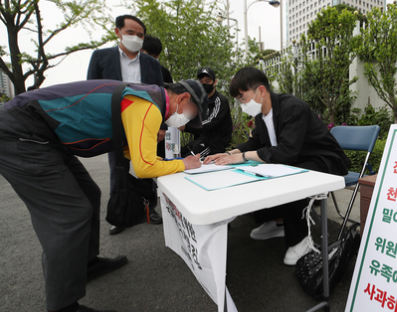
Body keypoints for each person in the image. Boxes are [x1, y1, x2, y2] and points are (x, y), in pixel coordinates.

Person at [0, 79, 206, 312]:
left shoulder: (147, 98)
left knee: (90, 194)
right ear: (183, 99)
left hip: (48, 137)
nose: (186, 122)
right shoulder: (148, 105)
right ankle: (62, 307)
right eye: (191, 114)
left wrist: (149, 147)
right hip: (23, 133)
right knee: (68, 214)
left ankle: (86, 263)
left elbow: (132, 154)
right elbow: (144, 168)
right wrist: (183, 164)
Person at [204, 67, 349, 265]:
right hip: (299, 159)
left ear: (261, 91)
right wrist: (230, 154)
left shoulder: (292, 108)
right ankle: (276, 221)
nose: (241, 104)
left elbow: (287, 152)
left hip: (324, 160)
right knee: (259, 173)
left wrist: (244, 157)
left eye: (242, 97)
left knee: (288, 176)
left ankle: (301, 239)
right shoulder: (261, 116)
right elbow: (255, 144)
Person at [87, 14, 164, 234]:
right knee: (118, 170)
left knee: (147, 167)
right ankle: (119, 215)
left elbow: (160, 96)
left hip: (145, 125)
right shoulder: (101, 58)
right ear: (117, 32)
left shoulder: (150, 63)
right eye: (131, 32)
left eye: (140, 35)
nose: (136, 38)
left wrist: (161, 127)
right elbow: (92, 92)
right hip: (116, 125)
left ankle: (150, 208)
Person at [183, 67, 233, 155]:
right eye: (201, 82)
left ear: (215, 82)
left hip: (215, 144)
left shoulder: (220, 101)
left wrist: (185, 127)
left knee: (189, 159)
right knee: (179, 154)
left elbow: (210, 123)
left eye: (207, 81)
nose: (204, 84)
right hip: (200, 141)